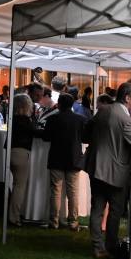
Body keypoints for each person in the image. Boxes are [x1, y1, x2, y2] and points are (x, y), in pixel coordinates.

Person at [83, 83, 131, 259]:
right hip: (116, 170)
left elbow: (86, 132)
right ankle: (110, 246)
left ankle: (98, 246)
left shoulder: (103, 110)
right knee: (115, 210)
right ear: (127, 98)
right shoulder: (125, 118)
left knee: (97, 208)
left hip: (96, 166)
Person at [43, 93, 86, 230]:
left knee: (55, 190)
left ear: (59, 104)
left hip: (56, 157)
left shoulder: (53, 119)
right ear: (72, 104)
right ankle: (73, 222)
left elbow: (46, 137)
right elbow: (85, 138)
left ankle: (53, 221)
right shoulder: (80, 119)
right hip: (73, 158)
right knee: (73, 191)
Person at [8, 94, 41, 226]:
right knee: (19, 186)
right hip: (21, 152)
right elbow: (36, 132)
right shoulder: (25, 120)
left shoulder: (12, 118)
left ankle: (12, 215)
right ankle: (14, 217)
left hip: (11, 152)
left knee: (16, 185)